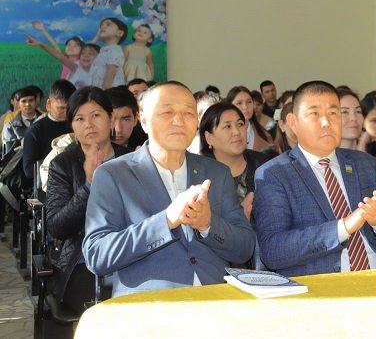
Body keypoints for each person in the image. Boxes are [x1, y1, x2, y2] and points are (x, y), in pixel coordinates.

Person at [82, 81, 255, 297]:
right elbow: (97, 255)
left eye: (188, 113)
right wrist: (165, 221)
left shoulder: (217, 173)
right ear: (144, 121)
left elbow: (245, 248)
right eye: (167, 112)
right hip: (150, 302)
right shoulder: (113, 174)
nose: (179, 121)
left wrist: (208, 224)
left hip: (214, 297)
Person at [253, 81, 376, 277]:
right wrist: (342, 228)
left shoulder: (365, 164)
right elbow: (273, 250)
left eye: (333, 113)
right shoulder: (274, 174)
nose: (326, 122)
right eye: (314, 114)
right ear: (293, 122)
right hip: (319, 288)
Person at [46, 86, 133, 313]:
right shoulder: (62, 165)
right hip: (82, 262)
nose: (89, 124)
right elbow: (56, 227)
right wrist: (89, 185)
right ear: (72, 126)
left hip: (131, 256)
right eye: (80, 119)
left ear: (110, 118)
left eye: (96, 115)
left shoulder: (132, 160)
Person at [199, 103, 270, 222]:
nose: (237, 132)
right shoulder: (200, 175)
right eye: (227, 126)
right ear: (209, 138)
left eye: (240, 124)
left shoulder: (265, 165)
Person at [22, 79, 76, 182]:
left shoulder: (77, 125)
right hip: (49, 184)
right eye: (61, 108)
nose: (66, 113)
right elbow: (29, 170)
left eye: (70, 108)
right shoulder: (35, 131)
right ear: (48, 104)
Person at [226, 86, 273, 151]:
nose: (245, 107)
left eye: (249, 102)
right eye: (239, 103)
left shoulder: (265, 136)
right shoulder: (222, 135)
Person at [90, 17, 128, 89]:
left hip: (107, 90)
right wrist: (97, 37)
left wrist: (105, 89)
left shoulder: (115, 50)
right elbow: (88, 49)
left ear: (119, 33)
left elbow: (111, 71)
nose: (102, 27)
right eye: (101, 25)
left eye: (108, 24)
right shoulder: (103, 50)